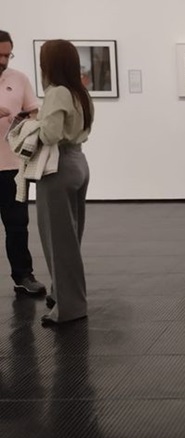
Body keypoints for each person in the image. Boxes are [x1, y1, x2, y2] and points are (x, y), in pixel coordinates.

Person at [35, 39, 94, 326]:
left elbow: (50, 135)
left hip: (58, 167)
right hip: (79, 162)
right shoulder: (79, 91)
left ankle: (69, 308)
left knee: (58, 242)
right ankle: (63, 294)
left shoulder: (57, 92)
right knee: (70, 238)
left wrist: (32, 124)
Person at [0, 30, 47, 296]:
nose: (3, 60)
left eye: (8, 55)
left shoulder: (19, 79)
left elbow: (34, 111)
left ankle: (23, 275)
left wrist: (26, 120)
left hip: (12, 167)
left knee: (17, 225)